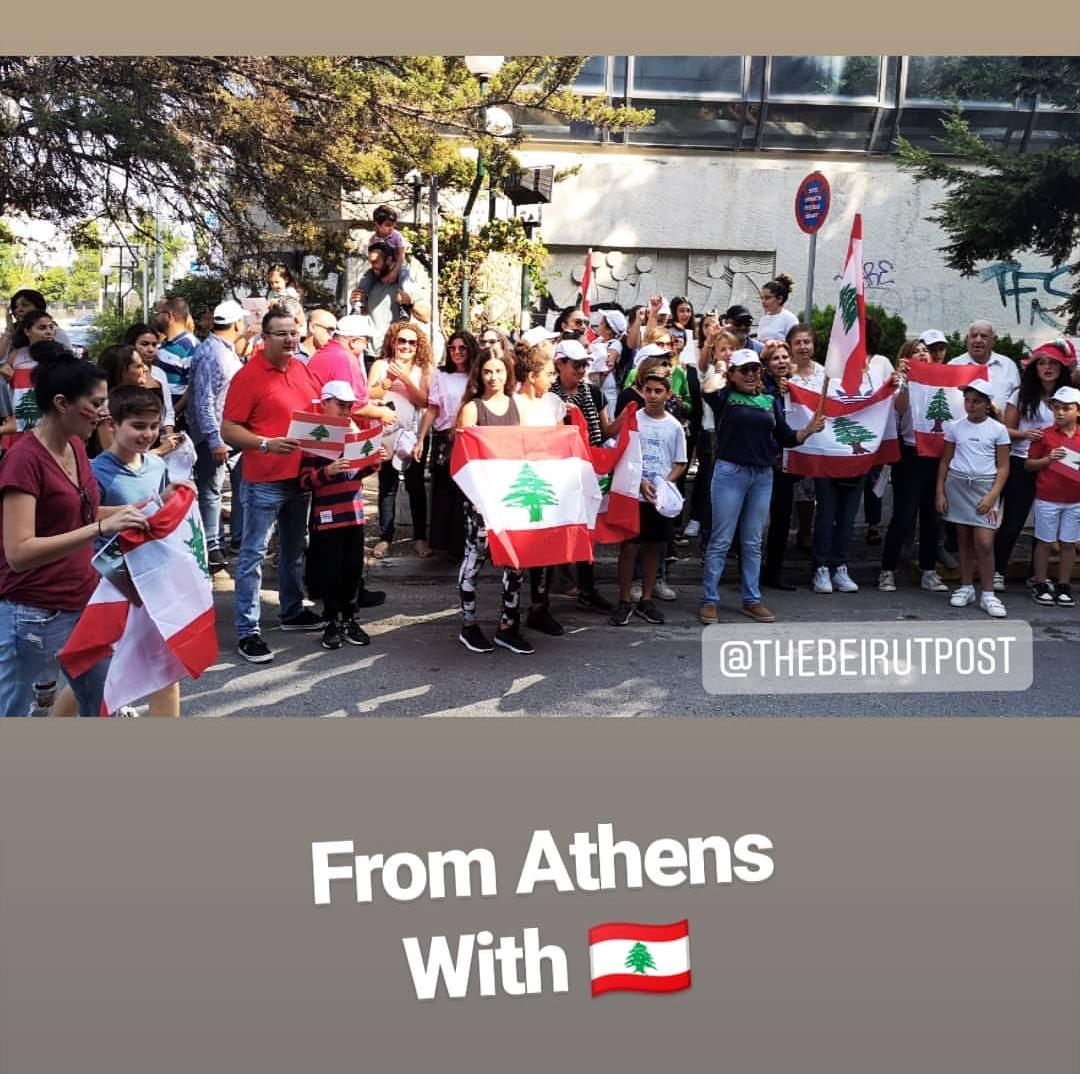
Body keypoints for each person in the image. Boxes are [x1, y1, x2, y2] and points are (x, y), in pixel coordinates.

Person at [0, 357, 149, 717]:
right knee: (13, 714)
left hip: (82, 602)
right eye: (95, 404)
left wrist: (150, 507)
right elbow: (19, 552)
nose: (102, 413)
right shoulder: (23, 460)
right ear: (62, 403)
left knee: (102, 703)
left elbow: (76, 517)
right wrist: (100, 529)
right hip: (34, 614)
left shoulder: (76, 446)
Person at [221, 308, 326, 664]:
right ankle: (247, 631)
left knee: (295, 550)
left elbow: (318, 415)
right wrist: (265, 443)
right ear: (264, 338)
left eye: (293, 333)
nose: (289, 339)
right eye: (281, 333)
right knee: (252, 555)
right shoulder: (248, 376)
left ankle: (292, 611)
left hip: (301, 478)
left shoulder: (301, 368)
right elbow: (229, 429)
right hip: (264, 479)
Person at [698, 351, 824, 625]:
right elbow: (707, 388)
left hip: (762, 476)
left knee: (753, 542)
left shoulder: (768, 400)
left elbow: (787, 437)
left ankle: (751, 599)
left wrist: (809, 430)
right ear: (733, 374)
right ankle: (709, 600)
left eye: (755, 368)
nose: (752, 374)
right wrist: (721, 367)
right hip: (731, 472)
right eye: (744, 370)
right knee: (721, 540)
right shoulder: (725, 398)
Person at [90, 385, 180, 716]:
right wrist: (133, 510)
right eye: (138, 426)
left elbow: (159, 514)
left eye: (154, 426)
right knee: (98, 666)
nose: (148, 434)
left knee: (164, 663)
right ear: (112, 425)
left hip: (151, 574)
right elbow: (81, 516)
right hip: (110, 579)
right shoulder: (95, 470)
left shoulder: (157, 466)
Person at [455, 348, 551, 655]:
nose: (493, 377)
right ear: (479, 375)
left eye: (499, 371)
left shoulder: (515, 406)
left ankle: (508, 627)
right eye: (487, 371)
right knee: (476, 559)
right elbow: (463, 459)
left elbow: (521, 450)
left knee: (515, 561)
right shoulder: (472, 408)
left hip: (510, 497)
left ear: (508, 373)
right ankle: (468, 625)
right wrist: (479, 496)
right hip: (480, 499)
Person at [811, 317, 898, 595]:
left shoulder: (882, 363)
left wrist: (896, 384)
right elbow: (821, 400)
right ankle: (821, 568)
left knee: (848, 515)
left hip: (862, 453)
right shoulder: (832, 365)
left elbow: (892, 403)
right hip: (830, 449)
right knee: (826, 514)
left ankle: (840, 566)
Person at [297, 381, 377, 651]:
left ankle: (350, 618)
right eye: (340, 405)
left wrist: (373, 462)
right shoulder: (313, 439)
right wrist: (327, 472)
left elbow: (356, 473)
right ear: (325, 403)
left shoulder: (353, 432)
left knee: (352, 569)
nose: (346, 411)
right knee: (330, 569)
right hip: (328, 514)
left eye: (349, 406)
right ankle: (331, 620)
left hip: (353, 513)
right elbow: (304, 481)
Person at [993, 339, 1076, 592]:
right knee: (1014, 520)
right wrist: (1025, 435)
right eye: (1042, 363)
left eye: (1053, 363)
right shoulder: (1021, 394)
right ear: (1034, 367)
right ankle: (997, 570)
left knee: (1046, 523)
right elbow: (1004, 430)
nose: (1048, 368)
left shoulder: (1071, 395)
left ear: (1062, 368)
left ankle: (1037, 576)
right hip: (1022, 461)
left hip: (1059, 465)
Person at [609, 369, 687, 628]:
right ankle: (623, 599)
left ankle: (647, 597)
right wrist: (639, 482)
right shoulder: (633, 419)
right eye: (648, 390)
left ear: (668, 393)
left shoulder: (674, 426)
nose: (652, 396)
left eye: (658, 391)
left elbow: (680, 462)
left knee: (654, 547)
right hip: (634, 494)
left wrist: (664, 484)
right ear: (641, 391)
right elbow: (620, 452)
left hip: (658, 499)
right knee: (629, 547)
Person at [549, 338, 617, 614]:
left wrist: (627, 418)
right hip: (561, 472)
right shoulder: (548, 397)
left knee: (587, 530)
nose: (580, 370)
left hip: (590, 470)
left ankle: (586, 588)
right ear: (560, 364)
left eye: (583, 364)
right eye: (575, 364)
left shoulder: (595, 393)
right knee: (563, 527)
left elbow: (606, 431)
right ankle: (558, 584)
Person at [877, 338, 949, 594]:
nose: (922, 355)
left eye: (925, 352)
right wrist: (905, 381)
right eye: (916, 352)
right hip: (910, 455)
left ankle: (929, 571)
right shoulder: (900, 383)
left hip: (936, 456)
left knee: (932, 517)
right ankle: (887, 570)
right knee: (904, 516)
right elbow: (899, 408)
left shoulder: (940, 381)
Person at [936, 379, 1010, 618]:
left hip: (984, 488)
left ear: (987, 404)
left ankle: (988, 593)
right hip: (957, 485)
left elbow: (1003, 467)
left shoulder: (998, 430)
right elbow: (945, 461)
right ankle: (966, 587)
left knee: (984, 542)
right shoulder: (955, 427)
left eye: (976, 401)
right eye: (967, 400)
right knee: (964, 540)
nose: (970, 405)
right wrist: (940, 491)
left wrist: (992, 495)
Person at [187, 300, 246, 573]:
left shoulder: (223, 350)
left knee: (238, 487)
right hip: (216, 434)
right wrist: (214, 439)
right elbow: (203, 400)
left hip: (230, 432)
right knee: (211, 491)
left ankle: (235, 539)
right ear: (235, 324)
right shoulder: (212, 353)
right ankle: (212, 545)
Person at [368, 322, 432, 559]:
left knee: (415, 485)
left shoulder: (423, 368)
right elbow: (368, 393)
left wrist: (405, 379)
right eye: (401, 341)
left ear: (418, 347)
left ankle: (419, 538)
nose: (406, 346)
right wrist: (387, 381)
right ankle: (385, 537)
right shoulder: (380, 364)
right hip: (385, 433)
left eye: (412, 342)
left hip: (412, 434)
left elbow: (424, 401)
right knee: (387, 486)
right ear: (393, 342)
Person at [415, 330, 476, 558]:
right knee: (444, 491)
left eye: (462, 348)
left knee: (466, 491)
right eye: (453, 348)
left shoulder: (477, 375)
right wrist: (421, 438)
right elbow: (432, 408)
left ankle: (462, 545)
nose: (457, 352)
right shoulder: (441, 375)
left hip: (469, 436)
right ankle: (444, 544)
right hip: (444, 438)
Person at [1024, 385, 1080, 608]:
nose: (1060, 413)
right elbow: (1028, 465)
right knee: (1045, 542)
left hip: (1075, 499)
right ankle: (1039, 582)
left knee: (1068, 543)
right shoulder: (1044, 435)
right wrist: (1048, 460)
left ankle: (1064, 585)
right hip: (1047, 497)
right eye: (1056, 408)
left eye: (1066, 408)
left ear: (1077, 411)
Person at [947, 321, 1020, 414]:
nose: (978, 340)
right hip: (963, 426)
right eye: (973, 336)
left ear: (993, 340)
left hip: (1001, 426)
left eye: (984, 336)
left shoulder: (1008, 365)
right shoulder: (953, 366)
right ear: (967, 339)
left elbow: (1017, 400)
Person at [349, 241, 409, 354]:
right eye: (371, 262)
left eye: (376, 261)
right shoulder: (371, 282)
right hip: (371, 353)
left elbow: (425, 315)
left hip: (395, 352)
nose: (372, 266)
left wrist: (411, 302)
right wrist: (357, 302)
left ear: (389, 260)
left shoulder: (405, 282)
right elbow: (368, 313)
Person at [121, 323, 176, 432]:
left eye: (154, 345)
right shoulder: (124, 373)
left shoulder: (159, 373)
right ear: (132, 345)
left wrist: (168, 436)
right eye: (144, 344)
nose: (150, 349)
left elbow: (168, 411)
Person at [155, 298, 199, 422]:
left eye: (158, 314)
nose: (156, 318)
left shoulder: (190, 346)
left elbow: (193, 388)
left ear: (168, 316)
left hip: (175, 421)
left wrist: (172, 415)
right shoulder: (164, 344)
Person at [758, 275, 799, 342]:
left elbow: (795, 342)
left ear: (779, 299)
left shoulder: (789, 318)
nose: (763, 301)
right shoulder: (764, 319)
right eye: (761, 298)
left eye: (767, 298)